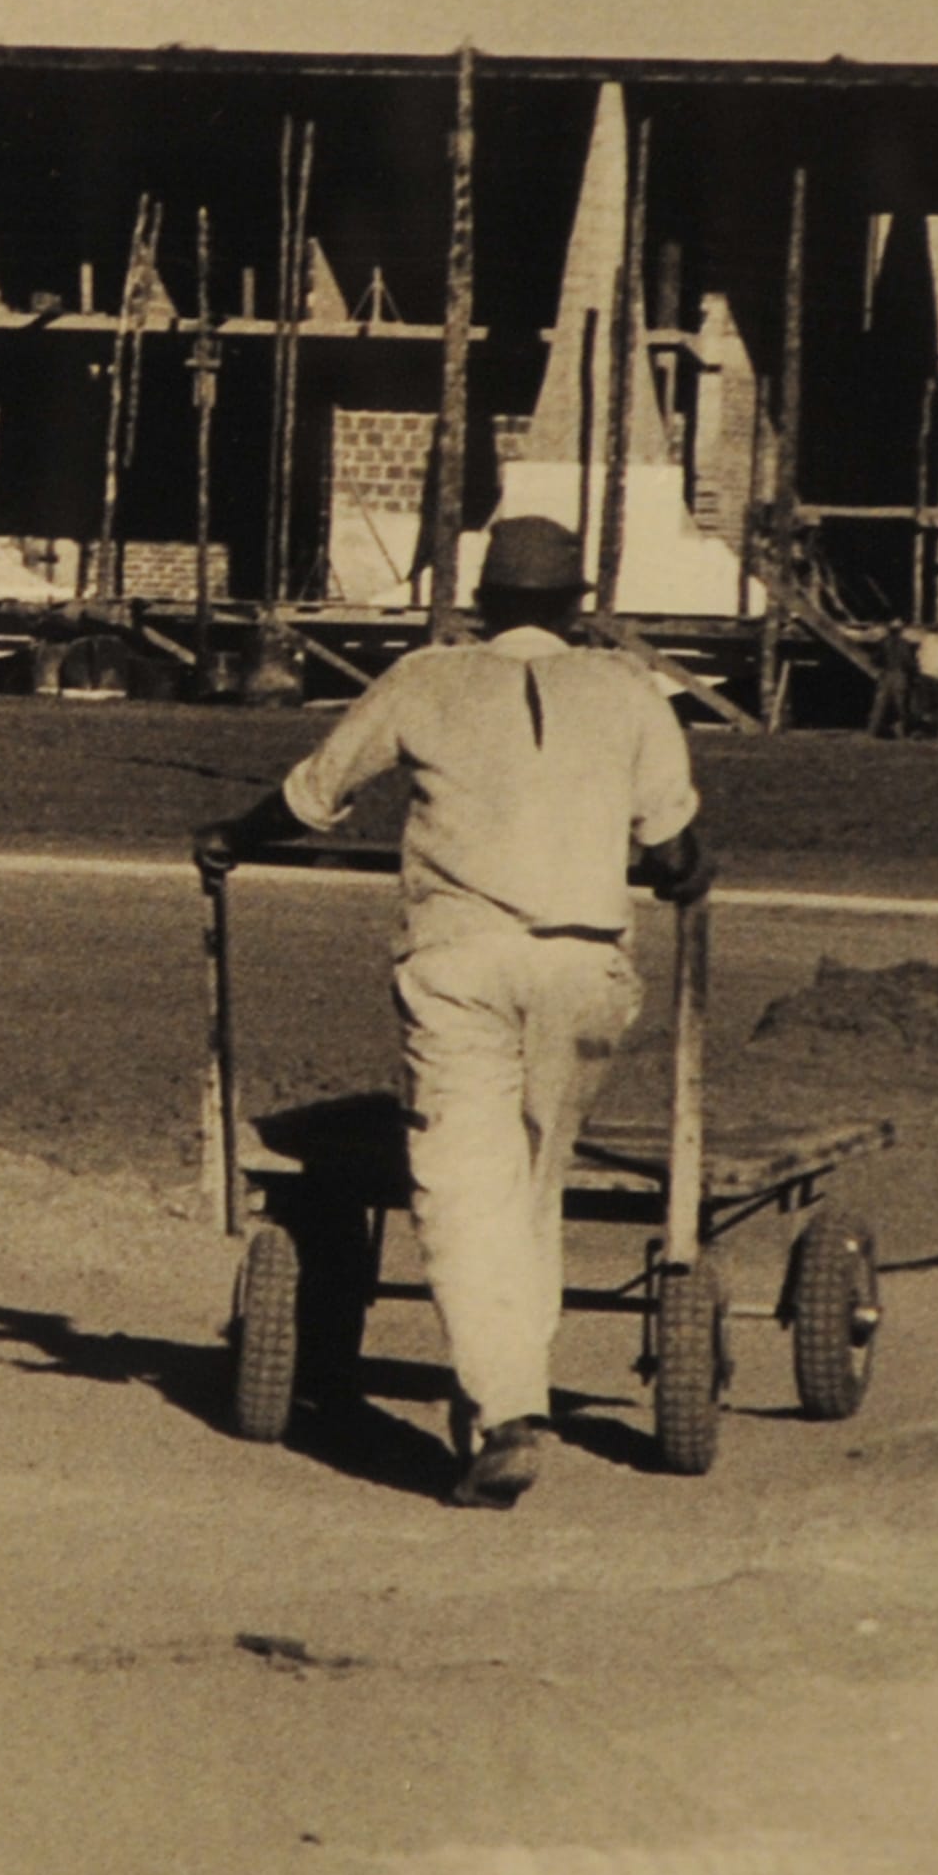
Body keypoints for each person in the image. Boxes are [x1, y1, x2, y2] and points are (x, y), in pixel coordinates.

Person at [196, 515, 708, 1510]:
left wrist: (227, 836)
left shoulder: (426, 677)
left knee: (464, 1188)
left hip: (461, 966)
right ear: (574, 607)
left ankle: (507, 1408)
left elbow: (309, 797)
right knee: (530, 1185)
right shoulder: (625, 689)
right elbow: (679, 853)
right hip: (586, 968)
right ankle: (502, 1401)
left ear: (477, 602)